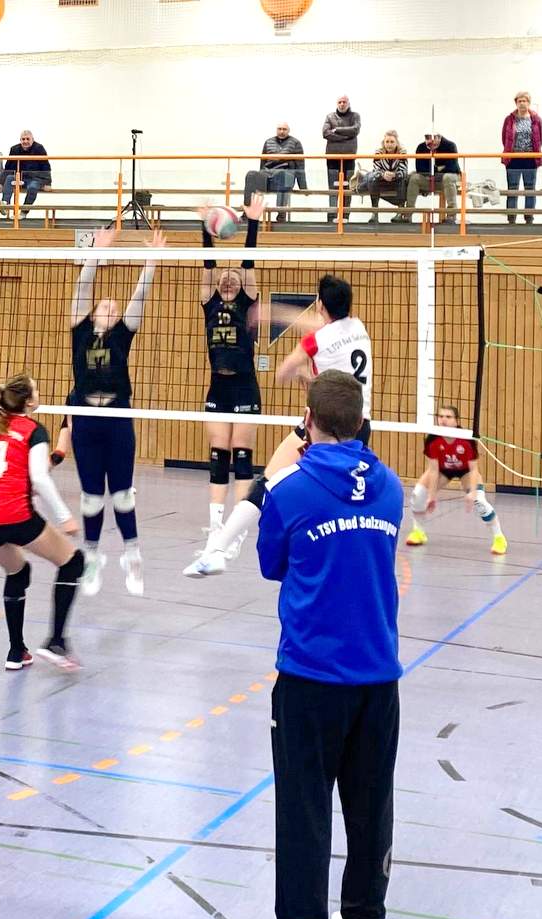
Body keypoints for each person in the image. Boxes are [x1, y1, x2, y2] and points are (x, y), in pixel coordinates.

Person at [243, 370, 403, 919]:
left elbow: (271, 564)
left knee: (304, 806)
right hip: (378, 678)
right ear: (361, 423)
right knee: (371, 804)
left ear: (306, 422)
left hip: (310, 678)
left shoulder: (289, 491)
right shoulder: (391, 487)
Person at [185, 275, 372, 578]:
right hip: (360, 427)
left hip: (322, 428)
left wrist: (302, 373)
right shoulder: (358, 327)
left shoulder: (316, 340)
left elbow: (282, 373)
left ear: (320, 304)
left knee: (267, 482)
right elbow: (318, 324)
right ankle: (351, 564)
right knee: (346, 500)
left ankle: (216, 551)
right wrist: (274, 314)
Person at [68, 227, 161, 596]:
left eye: (114, 307)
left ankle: (132, 555)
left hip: (117, 417)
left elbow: (140, 294)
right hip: (85, 418)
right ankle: (92, 557)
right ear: (93, 313)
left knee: (122, 494)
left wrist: (151, 262)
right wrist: (95, 253)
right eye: (104, 306)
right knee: (91, 497)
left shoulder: (123, 334)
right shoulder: (80, 331)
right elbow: (82, 287)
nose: (110, 308)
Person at [0, 373, 85, 671]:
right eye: (36, 389)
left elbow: (5, 470)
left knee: (18, 573)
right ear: (29, 401)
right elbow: (39, 478)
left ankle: (16, 651)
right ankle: (56, 642)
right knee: (73, 562)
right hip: (14, 515)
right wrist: (65, 517)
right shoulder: (34, 429)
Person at [197, 193, 267, 539]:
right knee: (217, 453)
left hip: (245, 385)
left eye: (234, 278)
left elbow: (248, 264)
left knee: (241, 453)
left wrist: (253, 222)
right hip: (218, 386)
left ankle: (236, 530)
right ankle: (215, 527)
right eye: (224, 277)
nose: (228, 279)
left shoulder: (247, 303)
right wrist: (204, 226)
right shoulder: (208, 303)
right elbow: (208, 265)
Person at [402, 405, 507, 555]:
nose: (443, 420)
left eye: (448, 417)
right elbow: (433, 470)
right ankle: (419, 532)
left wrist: (472, 493)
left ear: (456, 421)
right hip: (443, 470)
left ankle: (499, 538)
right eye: (441, 416)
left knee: (479, 501)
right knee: (418, 494)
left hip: (466, 471)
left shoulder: (466, 439)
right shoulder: (433, 438)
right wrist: (432, 496)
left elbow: (473, 469)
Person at [397, 130, 460, 224]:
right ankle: (407, 214)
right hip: (429, 178)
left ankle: (451, 214)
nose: (430, 140)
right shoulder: (421, 147)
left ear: (439, 137)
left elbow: (452, 168)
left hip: (447, 178)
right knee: (414, 178)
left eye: (433, 137)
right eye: (427, 137)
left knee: (447, 178)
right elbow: (420, 168)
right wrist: (439, 168)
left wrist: (433, 170)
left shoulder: (450, 146)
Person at [248, 123, 306, 223]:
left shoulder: (296, 143)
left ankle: (281, 215)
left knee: (283, 175)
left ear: (288, 131)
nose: (282, 131)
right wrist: (259, 180)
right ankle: (247, 213)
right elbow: (263, 162)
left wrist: (303, 186)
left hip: (286, 174)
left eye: (284, 129)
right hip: (268, 174)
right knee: (250, 175)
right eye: (280, 129)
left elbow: (300, 165)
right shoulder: (268, 142)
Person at [500, 91, 542, 224]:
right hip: (513, 158)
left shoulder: (536, 119)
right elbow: (504, 138)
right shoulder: (509, 119)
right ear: (516, 103)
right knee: (512, 189)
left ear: (529, 103)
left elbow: (540, 139)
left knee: (530, 189)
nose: (522, 103)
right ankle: (511, 217)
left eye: (524, 101)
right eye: (519, 101)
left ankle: (529, 217)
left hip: (530, 158)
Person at [322, 96, 362, 223]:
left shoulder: (355, 116)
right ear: (337, 104)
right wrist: (345, 138)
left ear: (348, 103)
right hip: (332, 158)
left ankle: (345, 217)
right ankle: (331, 217)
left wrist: (337, 130)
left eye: (344, 102)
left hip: (349, 157)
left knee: (348, 188)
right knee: (333, 188)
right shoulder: (330, 116)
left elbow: (355, 130)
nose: (342, 104)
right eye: (340, 102)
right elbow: (325, 133)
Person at [357, 130, 408, 222]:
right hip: (382, 180)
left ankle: (400, 212)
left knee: (403, 180)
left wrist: (394, 175)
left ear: (397, 143)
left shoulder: (402, 152)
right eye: (387, 142)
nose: (389, 144)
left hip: (396, 181)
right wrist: (383, 175)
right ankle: (374, 212)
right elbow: (376, 170)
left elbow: (404, 171)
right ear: (383, 143)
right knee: (372, 178)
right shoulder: (378, 152)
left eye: (392, 142)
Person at [0, 130, 52, 214]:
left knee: (32, 187)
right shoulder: (14, 149)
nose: (25, 141)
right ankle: (5, 205)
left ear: (32, 139)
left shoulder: (39, 148)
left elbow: (46, 166)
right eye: (23, 139)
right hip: (20, 178)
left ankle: (24, 212)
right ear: (20, 140)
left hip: (35, 179)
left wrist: (48, 183)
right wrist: (1, 183)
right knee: (9, 178)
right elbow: (8, 167)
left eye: (27, 139)